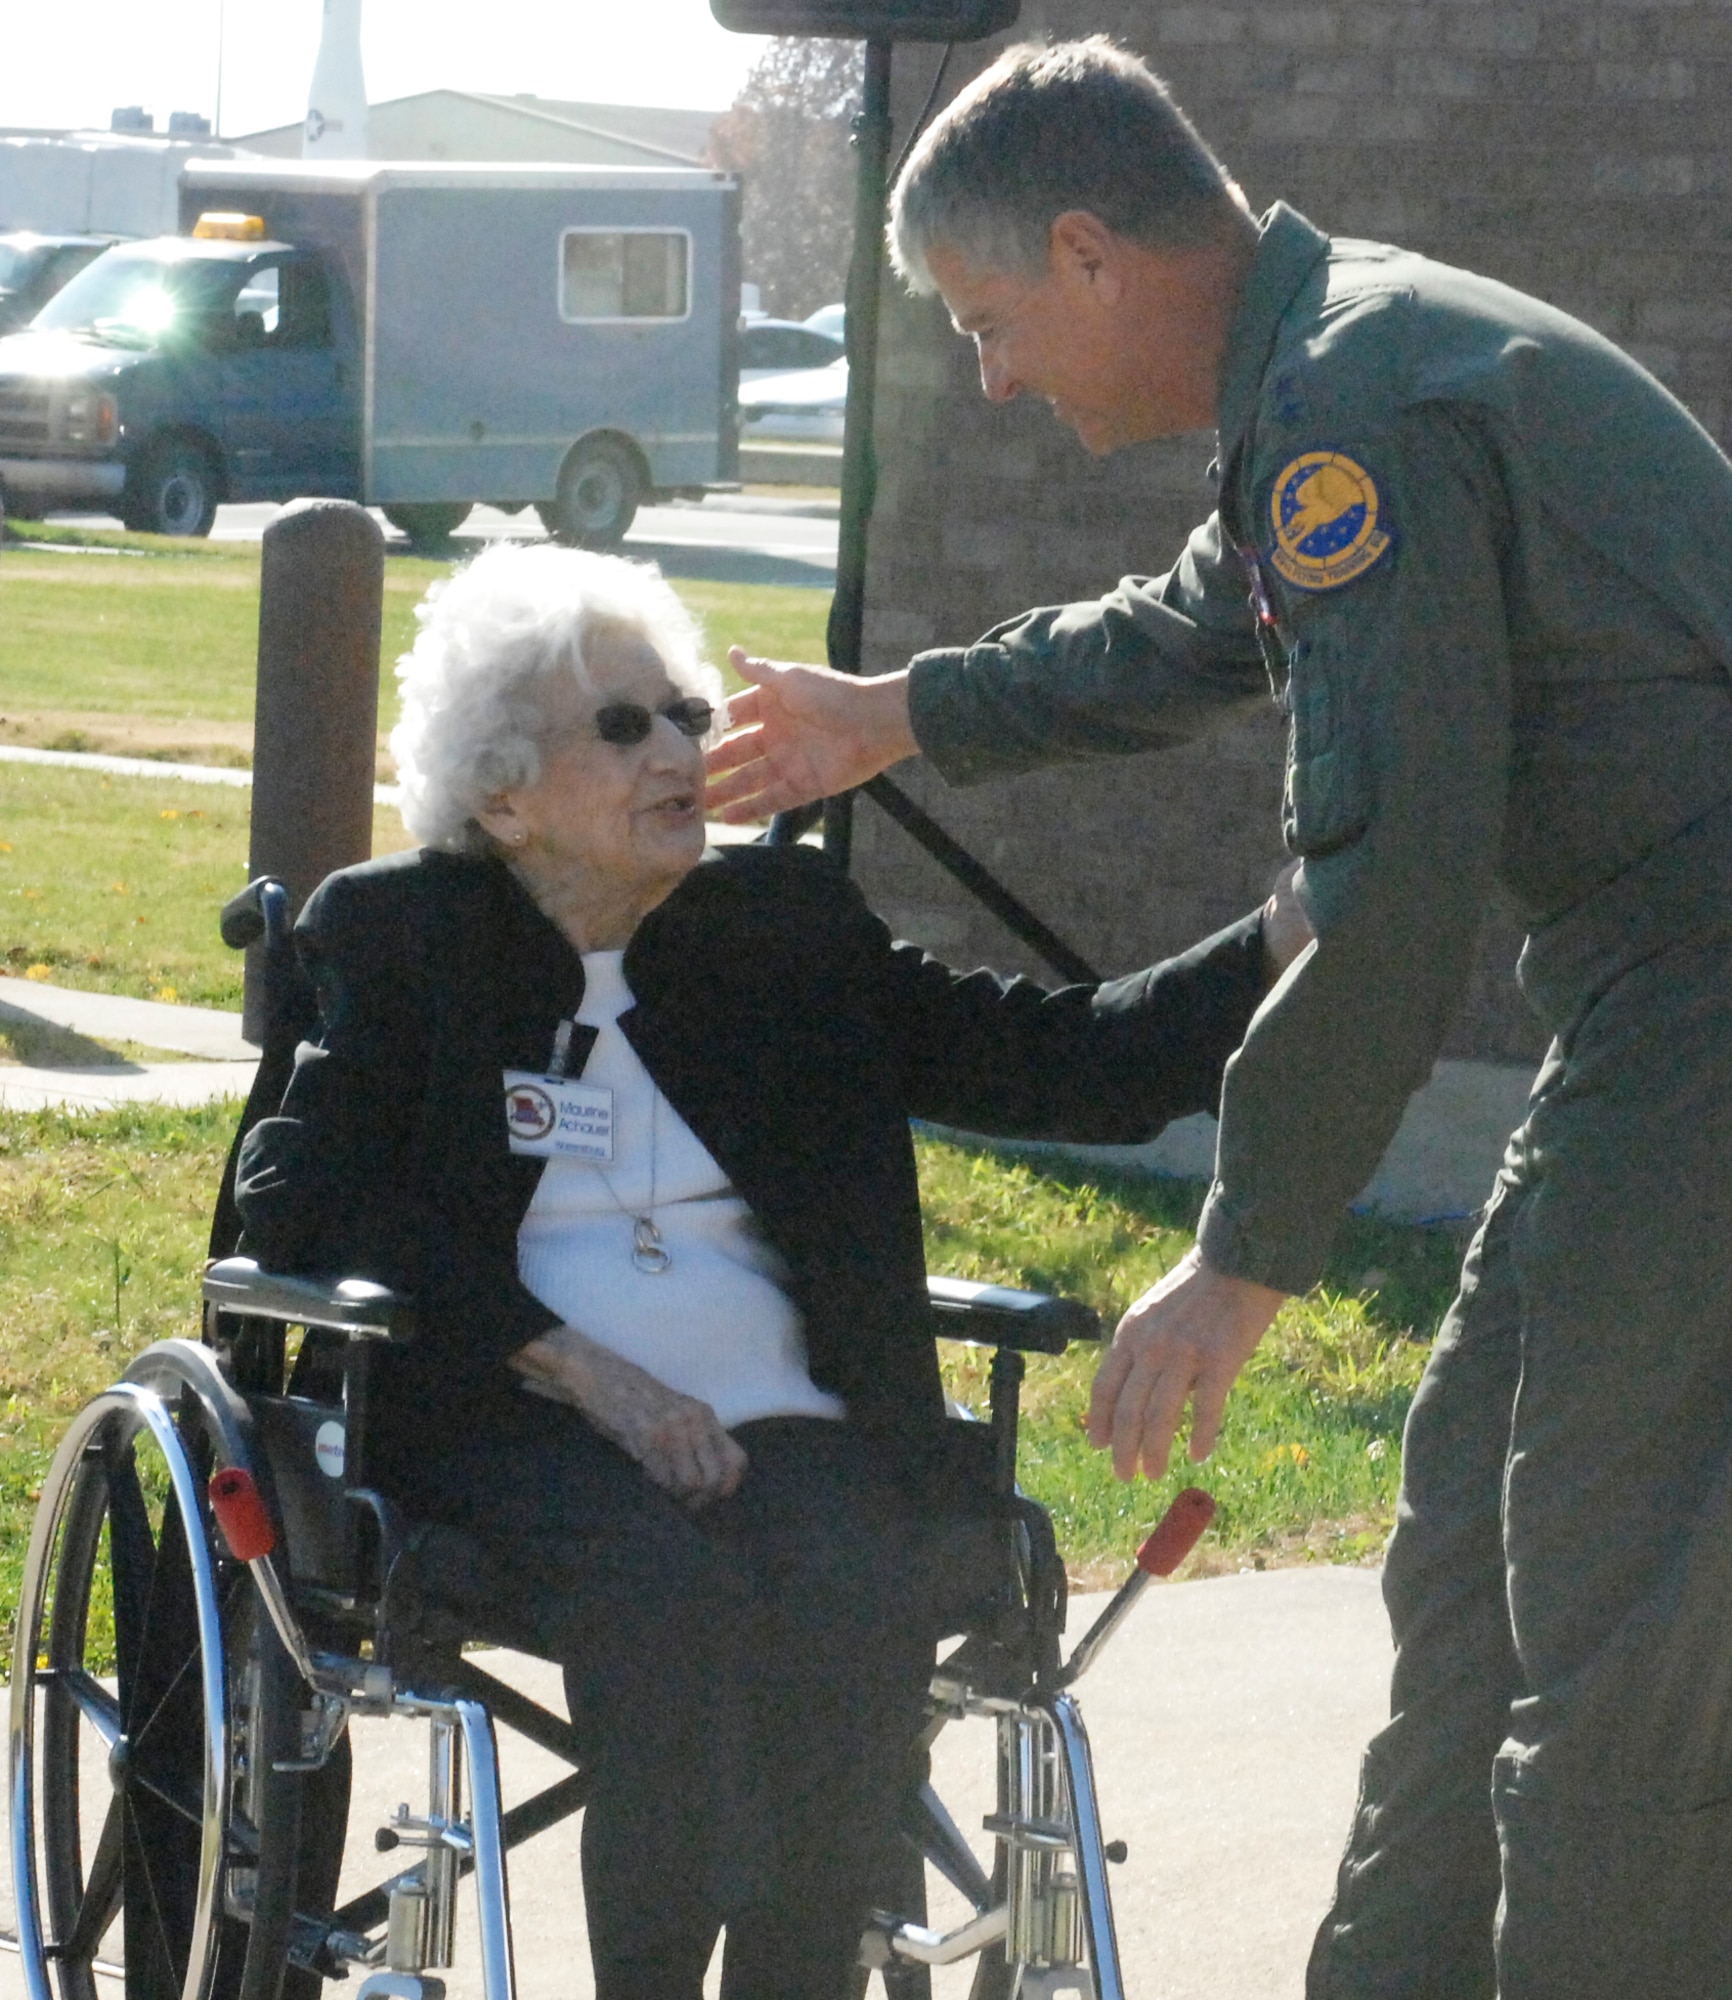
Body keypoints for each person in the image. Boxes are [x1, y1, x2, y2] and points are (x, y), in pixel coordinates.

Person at [702, 36, 1732, 2000]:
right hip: (1644, 1013)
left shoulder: (1354, 407)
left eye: (989, 322)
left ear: (1086, 253)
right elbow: (1191, 625)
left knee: (1605, 1620)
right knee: (1465, 1557)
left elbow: (1392, 887)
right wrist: (893, 710)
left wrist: (1242, 1257)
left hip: (1697, 1018)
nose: (988, 375)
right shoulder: (1331, 364)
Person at [234, 539, 1303, 2000]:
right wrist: (577, 1364)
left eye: (686, 712)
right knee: (664, 1608)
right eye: (625, 726)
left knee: (862, 1585)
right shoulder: (405, 933)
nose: (681, 748)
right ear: (501, 792)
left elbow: (1078, 1068)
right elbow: (294, 1202)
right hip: (507, 1429)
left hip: (788, 1420)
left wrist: (1288, 939)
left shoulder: (780, 929)